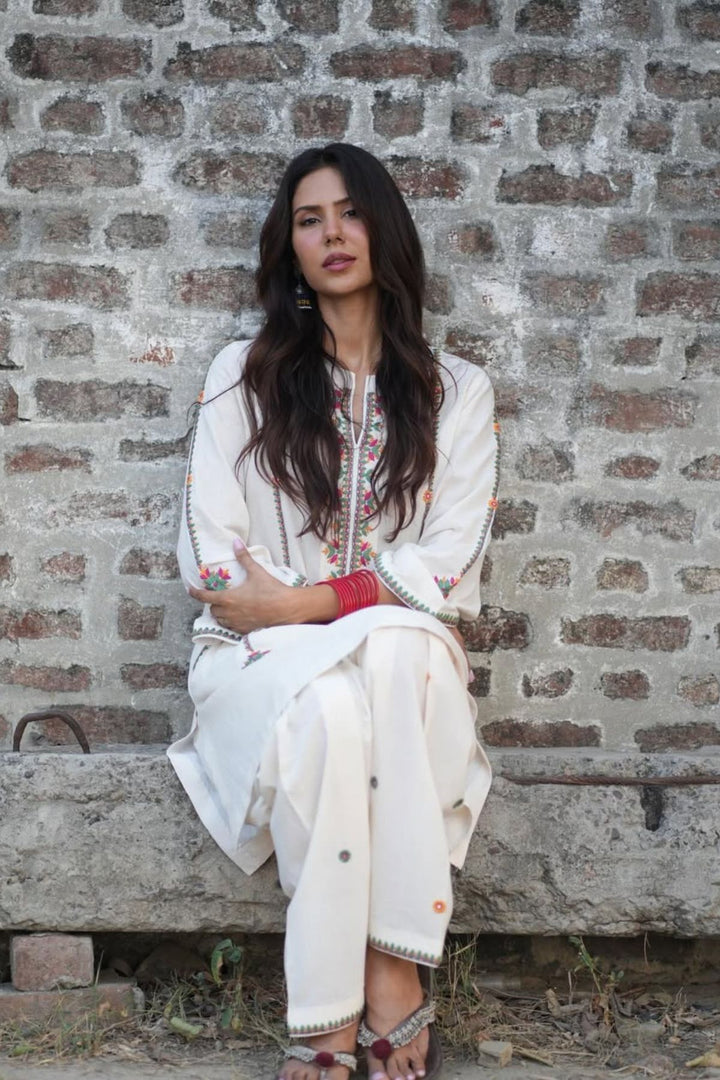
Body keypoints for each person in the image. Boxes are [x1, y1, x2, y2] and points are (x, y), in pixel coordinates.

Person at [168, 142, 499, 1080]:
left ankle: (366, 987)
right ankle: (365, 993)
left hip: (400, 670)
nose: (332, 234)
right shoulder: (243, 376)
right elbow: (214, 563)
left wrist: (306, 600)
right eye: (309, 220)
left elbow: (449, 563)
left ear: (384, 228)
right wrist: (300, 610)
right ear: (292, 249)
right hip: (256, 663)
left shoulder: (455, 393)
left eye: (350, 212)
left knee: (394, 653)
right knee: (333, 703)